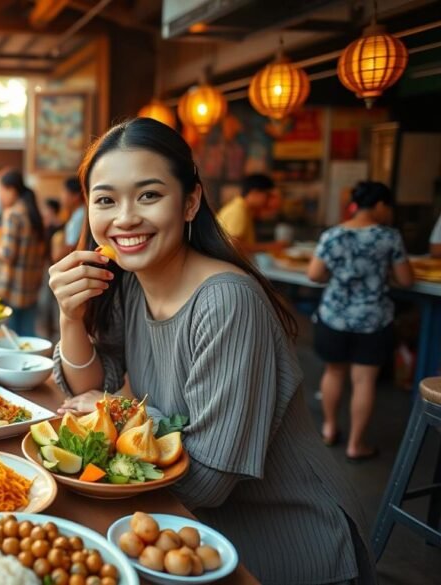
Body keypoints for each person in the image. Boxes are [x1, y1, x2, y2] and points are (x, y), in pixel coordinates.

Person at [49, 118, 373, 584]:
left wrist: (115, 411)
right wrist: (70, 317)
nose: (124, 218)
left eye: (148, 195)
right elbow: (89, 387)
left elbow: (208, 479)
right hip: (190, 531)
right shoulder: (130, 285)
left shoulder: (227, 302)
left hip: (286, 542)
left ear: (191, 201)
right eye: (105, 200)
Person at [307, 181, 413, 461]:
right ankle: (356, 445)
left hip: (334, 317)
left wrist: (340, 277)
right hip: (373, 319)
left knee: (333, 372)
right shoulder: (389, 237)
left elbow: (314, 274)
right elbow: (406, 279)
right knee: (364, 381)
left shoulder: (332, 235)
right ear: (379, 205)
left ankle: (329, 429)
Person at [0, 170, 47, 337]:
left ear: (11, 190)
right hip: (30, 286)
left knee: (11, 336)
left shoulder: (13, 214)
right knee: (27, 333)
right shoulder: (33, 213)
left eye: (0, 191)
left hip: (12, 287)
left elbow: (7, 254)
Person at [214, 173, 284, 255]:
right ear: (255, 192)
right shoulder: (239, 210)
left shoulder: (243, 208)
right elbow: (234, 245)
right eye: (267, 195)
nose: (268, 200)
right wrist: (270, 246)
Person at [53, 176, 85, 261]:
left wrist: (57, 256)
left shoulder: (80, 216)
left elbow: (71, 246)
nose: (61, 196)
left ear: (76, 196)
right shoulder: (78, 213)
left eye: (64, 191)